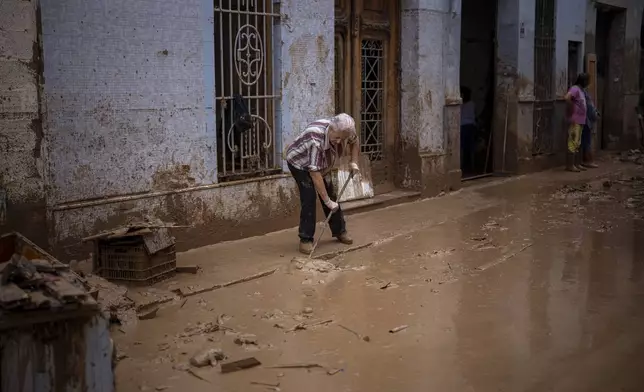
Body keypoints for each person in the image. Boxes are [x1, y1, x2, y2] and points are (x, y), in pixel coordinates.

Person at [285, 113, 361, 255]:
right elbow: (314, 173)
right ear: (330, 129)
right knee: (309, 197)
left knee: (332, 194)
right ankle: (305, 239)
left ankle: (339, 231)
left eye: (342, 139)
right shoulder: (315, 138)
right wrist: (326, 201)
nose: (339, 142)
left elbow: (354, 142)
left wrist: (354, 162)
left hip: (321, 163)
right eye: (336, 137)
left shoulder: (345, 129)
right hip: (299, 163)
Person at [564, 73, 589, 172]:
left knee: (577, 143)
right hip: (575, 119)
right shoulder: (575, 88)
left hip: (581, 120)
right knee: (572, 142)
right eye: (586, 81)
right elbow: (567, 98)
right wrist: (571, 112)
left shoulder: (581, 91)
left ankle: (577, 164)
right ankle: (570, 165)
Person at [581, 80, 600, 168]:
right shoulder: (585, 95)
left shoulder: (583, 94)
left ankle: (586, 160)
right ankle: (588, 161)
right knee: (586, 141)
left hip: (585, 120)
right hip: (586, 120)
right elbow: (590, 109)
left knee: (585, 141)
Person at [460, 86, 477, 174]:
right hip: (471, 126)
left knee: (462, 147)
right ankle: (472, 166)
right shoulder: (472, 104)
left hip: (463, 126)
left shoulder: (461, 104)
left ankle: (462, 166)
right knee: (470, 147)